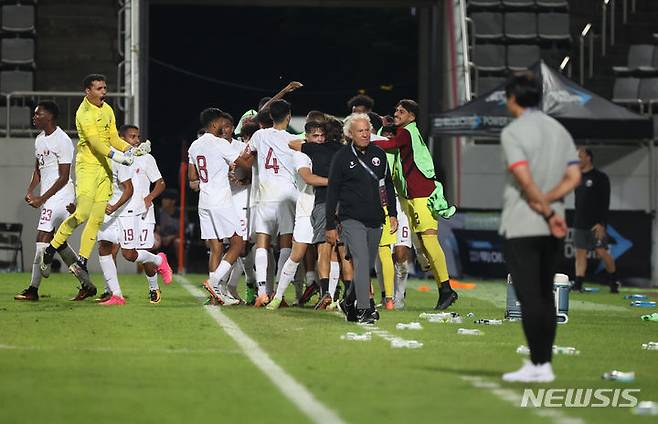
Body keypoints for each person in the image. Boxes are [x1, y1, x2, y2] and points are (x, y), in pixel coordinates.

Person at [499, 73, 581, 383]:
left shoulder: (514, 132)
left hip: (524, 224)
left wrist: (543, 207)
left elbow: (523, 178)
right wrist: (553, 204)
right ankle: (542, 362)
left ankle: (538, 365)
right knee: (545, 295)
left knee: (530, 296)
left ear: (513, 98)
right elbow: (573, 177)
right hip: (555, 224)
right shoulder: (559, 130)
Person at [39, 74, 150, 300]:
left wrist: (131, 150)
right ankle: (50, 250)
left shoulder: (107, 109)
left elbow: (112, 138)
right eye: (99, 88)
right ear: (87, 91)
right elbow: (97, 144)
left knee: (97, 219)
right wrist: (120, 157)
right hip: (88, 167)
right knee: (82, 213)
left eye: (105, 88)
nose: (104, 92)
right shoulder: (83, 112)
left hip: (105, 168)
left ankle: (81, 260)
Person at [372, 99, 458, 310]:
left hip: (422, 194)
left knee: (430, 242)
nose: (397, 113)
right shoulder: (409, 132)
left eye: (401, 111)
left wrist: (367, 141)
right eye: (396, 110)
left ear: (411, 116)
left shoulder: (406, 132)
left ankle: (446, 289)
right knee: (424, 243)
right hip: (416, 195)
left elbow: (390, 146)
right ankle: (444, 290)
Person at [326, 113, 397, 324]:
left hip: (376, 218)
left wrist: (392, 213)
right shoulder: (341, 157)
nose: (366, 134)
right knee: (362, 260)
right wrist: (330, 224)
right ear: (350, 134)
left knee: (366, 266)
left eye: (368, 130)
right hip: (351, 218)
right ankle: (364, 309)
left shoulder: (379, 154)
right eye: (360, 131)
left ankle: (348, 301)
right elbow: (332, 191)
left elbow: (388, 184)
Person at [95, 125, 172, 306]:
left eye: (138, 136)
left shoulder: (146, 158)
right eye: (132, 137)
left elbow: (160, 183)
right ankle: (111, 291)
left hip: (142, 212)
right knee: (109, 247)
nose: (137, 140)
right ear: (121, 139)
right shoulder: (117, 157)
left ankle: (153, 287)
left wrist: (149, 197)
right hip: (121, 211)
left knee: (139, 252)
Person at [15, 101, 78, 301]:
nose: (34, 117)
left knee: (42, 236)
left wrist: (42, 198)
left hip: (62, 196)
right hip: (49, 197)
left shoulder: (63, 140)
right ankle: (86, 283)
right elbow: (38, 169)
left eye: (38, 114)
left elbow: (64, 176)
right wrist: (30, 191)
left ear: (49, 116)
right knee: (58, 243)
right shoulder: (40, 139)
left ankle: (33, 288)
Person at [188, 108, 251, 305]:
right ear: (214, 124)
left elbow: (192, 177)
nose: (225, 126)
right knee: (238, 244)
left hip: (204, 201)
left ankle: (215, 297)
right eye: (222, 123)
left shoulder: (194, 145)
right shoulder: (220, 144)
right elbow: (245, 164)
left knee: (216, 247)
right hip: (221, 201)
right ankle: (214, 282)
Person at [268, 122, 328, 310]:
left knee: (328, 253)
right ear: (307, 137)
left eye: (321, 135)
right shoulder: (301, 155)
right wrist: (336, 182)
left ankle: (329, 298)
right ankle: (278, 297)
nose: (319, 139)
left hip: (326, 207)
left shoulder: (327, 154)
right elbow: (308, 178)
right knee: (297, 254)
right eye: (315, 136)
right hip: (306, 209)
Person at [247, 99, 300, 307]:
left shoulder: (259, 135)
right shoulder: (294, 140)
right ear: (288, 116)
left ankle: (262, 292)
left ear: (270, 117)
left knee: (262, 242)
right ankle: (279, 293)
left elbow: (246, 155)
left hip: (265, 194)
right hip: (287, 195)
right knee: (285, 244)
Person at [572, 147, 619, 293]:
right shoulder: (576, 177)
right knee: (580, 253)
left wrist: (601, 223)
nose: (577, 159)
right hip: (579, 223)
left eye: (580, 156)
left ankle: (613, 281)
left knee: (601, 252)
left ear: (588, 158)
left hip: (595, 224)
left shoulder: (600, 177)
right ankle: (578, 284)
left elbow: (605, 202)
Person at [157, 189, 180, 270]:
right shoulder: (159, 212)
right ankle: (155, 267)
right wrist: (160, 237)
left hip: (175, 238)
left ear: (173, 201)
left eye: (166, 199)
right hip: (162, 238)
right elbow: (157, 229)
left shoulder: (179, 213)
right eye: (163, 199)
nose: (163, 201)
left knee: (178, 242)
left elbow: (183, 230)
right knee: (154, 242)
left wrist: (171, 237)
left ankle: (181, 267)